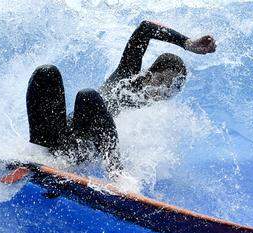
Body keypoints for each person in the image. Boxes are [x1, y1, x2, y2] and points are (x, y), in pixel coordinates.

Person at [26, 20, 217, 177]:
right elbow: (145, 28)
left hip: (78, 153)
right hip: (54, 140)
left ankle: (117, 175)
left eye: (168, 89)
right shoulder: (125, 78)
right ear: (149, 74)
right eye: (160, 80)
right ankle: (37, 156)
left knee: (87, 95)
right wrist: (187, 43)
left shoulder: (152, 122)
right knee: (47, 73)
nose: (160, 90)